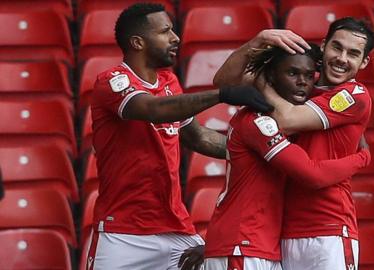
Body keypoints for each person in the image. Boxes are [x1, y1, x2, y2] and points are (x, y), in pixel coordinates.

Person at [86, 3, 274, 270]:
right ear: (138, 42)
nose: (175, 38)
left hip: (177, 230)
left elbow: (197, 137)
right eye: (165, 32)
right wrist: (222, 95)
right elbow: (152, 109)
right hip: (123, 234)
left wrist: (262, 149)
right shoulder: (111, 81)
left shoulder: (169, 82)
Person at [214, 17, 374, 270]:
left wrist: (261, 81)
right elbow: (223, 85)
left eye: (353, 53)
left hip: (329, 227)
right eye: (337, 47)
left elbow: (287, 119)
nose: (342, 58)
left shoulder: (353, 95)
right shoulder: (300, 84)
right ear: (323, 46)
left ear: (364, 61)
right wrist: (256, 42)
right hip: (284, 233)